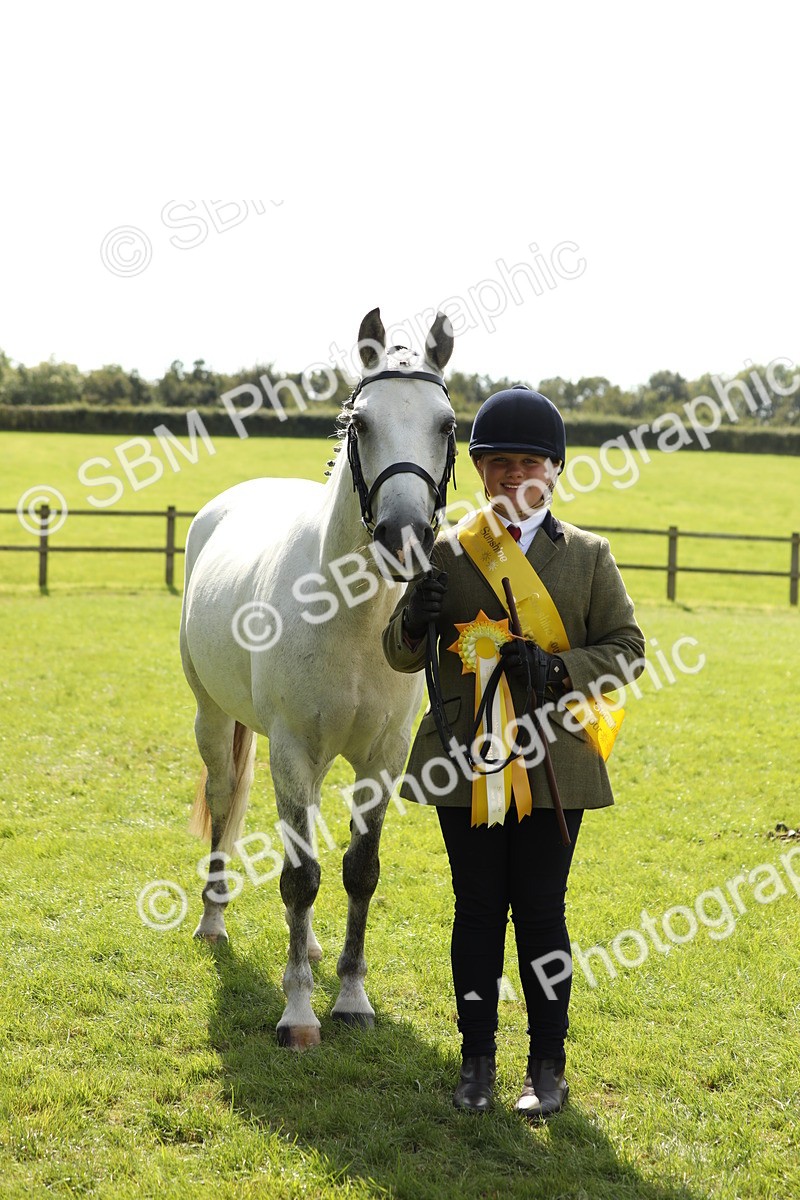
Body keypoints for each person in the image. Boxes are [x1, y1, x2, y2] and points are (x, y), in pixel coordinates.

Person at [381, 386, 646, 1119]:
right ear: (478, 471)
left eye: (528, 462)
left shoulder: (588, 557)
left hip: (556, 762)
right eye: (497, 464)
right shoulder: (443, 550)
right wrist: (413, 619)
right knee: (475, 912)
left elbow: (628, 650)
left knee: (540, 911)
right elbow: (400, 656)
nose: (512, 476)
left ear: (554, 471)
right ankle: (476, 1062)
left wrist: (560, 670)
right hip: (466, 763)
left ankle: (547, 1065)